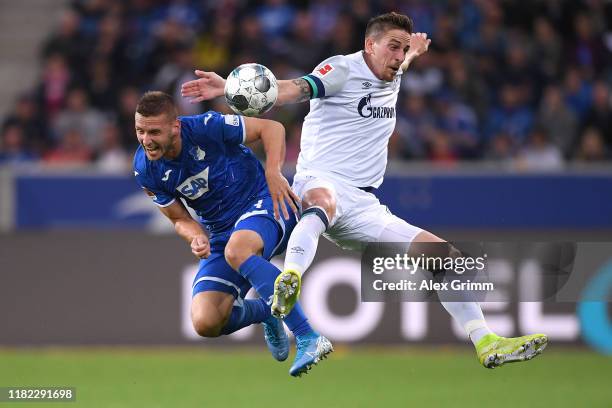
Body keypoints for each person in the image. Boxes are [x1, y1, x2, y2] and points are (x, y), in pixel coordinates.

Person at [181, 12, 548, 369]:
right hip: (318, 179)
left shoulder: (394, 68)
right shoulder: (341, 69)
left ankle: (485, 341)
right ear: (369, 45)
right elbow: (295, 89)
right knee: (322, 202)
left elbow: (405, 61)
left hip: (363, 203)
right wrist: (232, 88)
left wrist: (416, 49)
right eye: (393, 48)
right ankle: (288, 278)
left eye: (403, 50)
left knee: (445, 257)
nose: (399, 57)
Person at [132, 91, 332, 377]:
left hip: (265, 202)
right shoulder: (145, 169)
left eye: (154, 132)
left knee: (237, 250)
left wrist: (273, 172)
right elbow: (178, 218)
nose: (146, 140)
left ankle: (307, 336)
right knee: (206, 321)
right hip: (221, 233)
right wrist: (194, 236)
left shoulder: (205, 127)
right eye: (140, 131)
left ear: (175, 127)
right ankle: (266, 311)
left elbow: (271, 128)